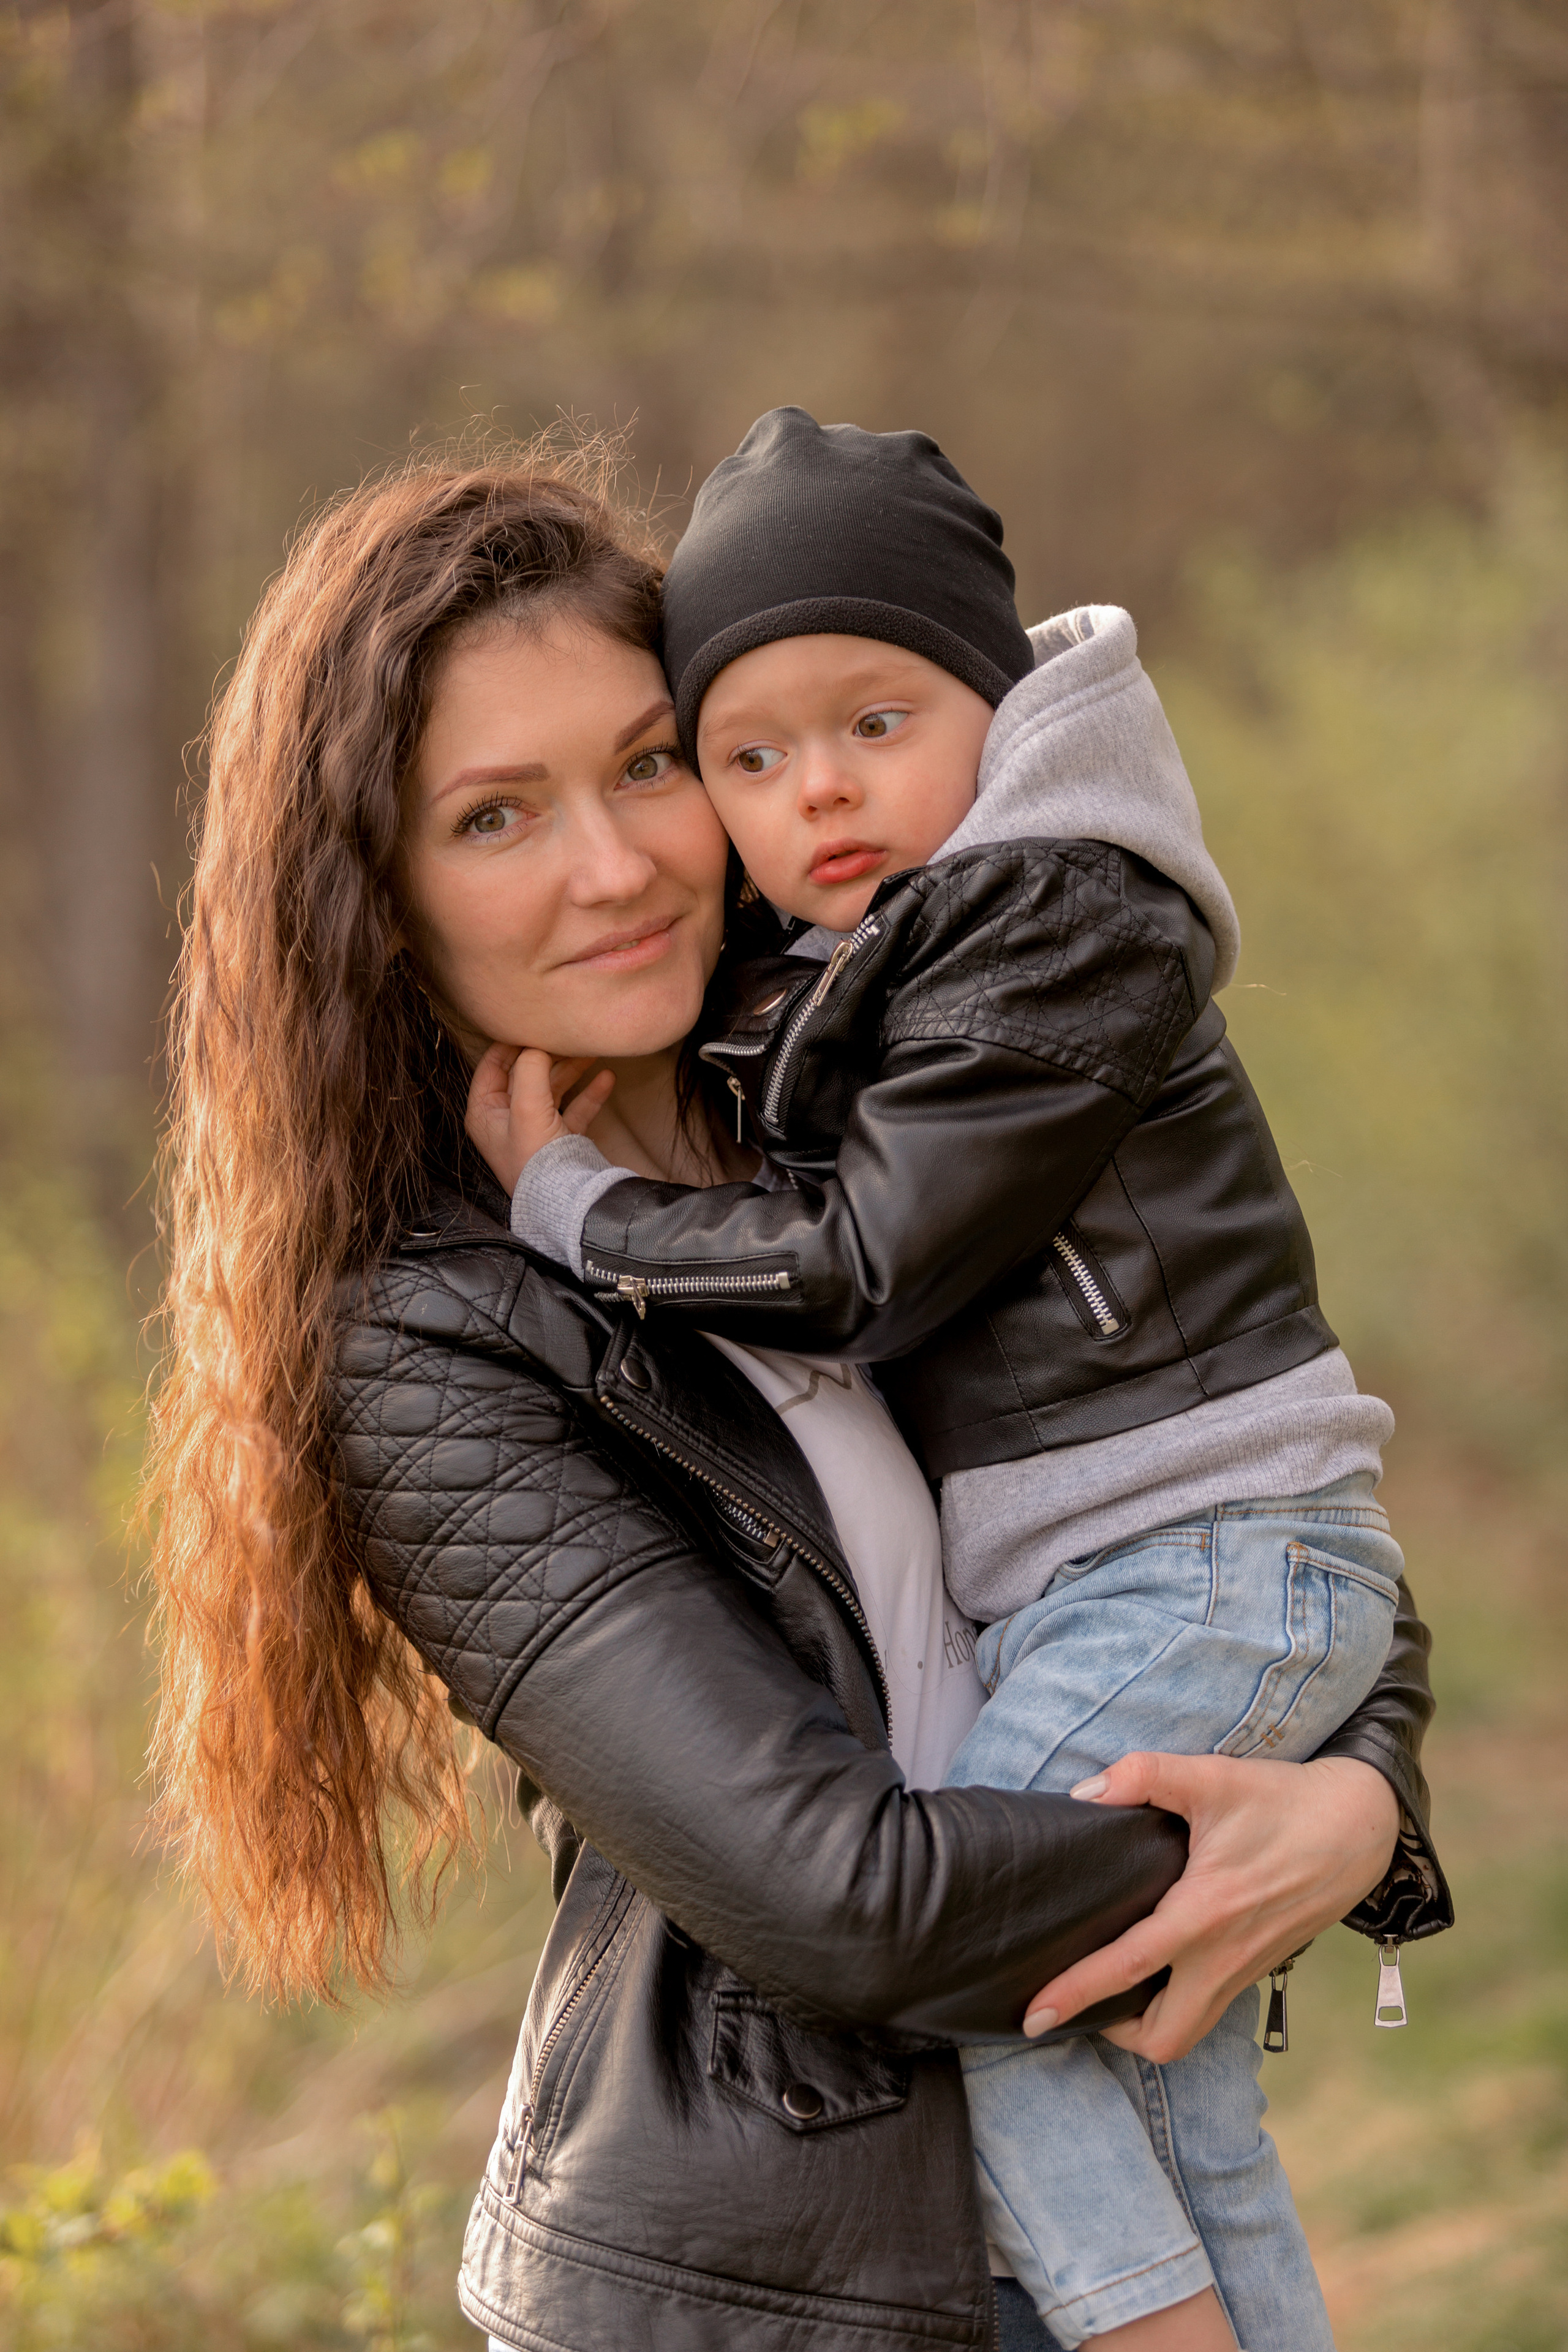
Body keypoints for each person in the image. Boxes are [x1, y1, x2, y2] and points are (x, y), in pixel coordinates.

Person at [143, 445, 1451, 2352]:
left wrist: (1358, 1796)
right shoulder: (430, 1340)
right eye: (496, 818)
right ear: (377, 896)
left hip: (1060, 2218)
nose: (614, 865)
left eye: (650, 764)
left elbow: (1239, 1530)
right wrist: (1287, 1839)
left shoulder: (876, 1091)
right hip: (776, 2290)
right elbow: (849, 1902)